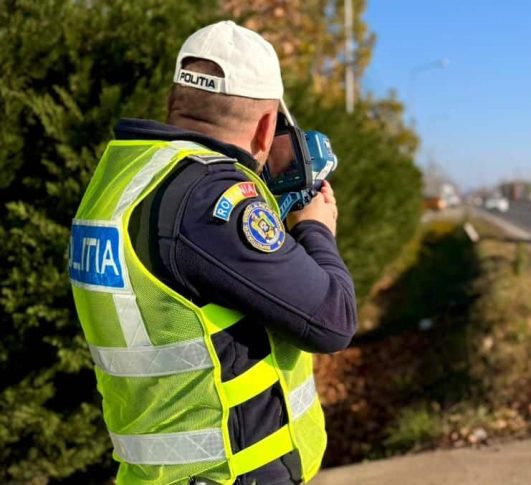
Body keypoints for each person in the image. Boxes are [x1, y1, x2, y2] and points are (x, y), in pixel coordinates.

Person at [68, 20, 357, 484]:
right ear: (267, 127)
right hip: (224, 474)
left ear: (172, 104)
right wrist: (317, 231)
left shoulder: (121, 179)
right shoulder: (211, 199)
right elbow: (332, 320)